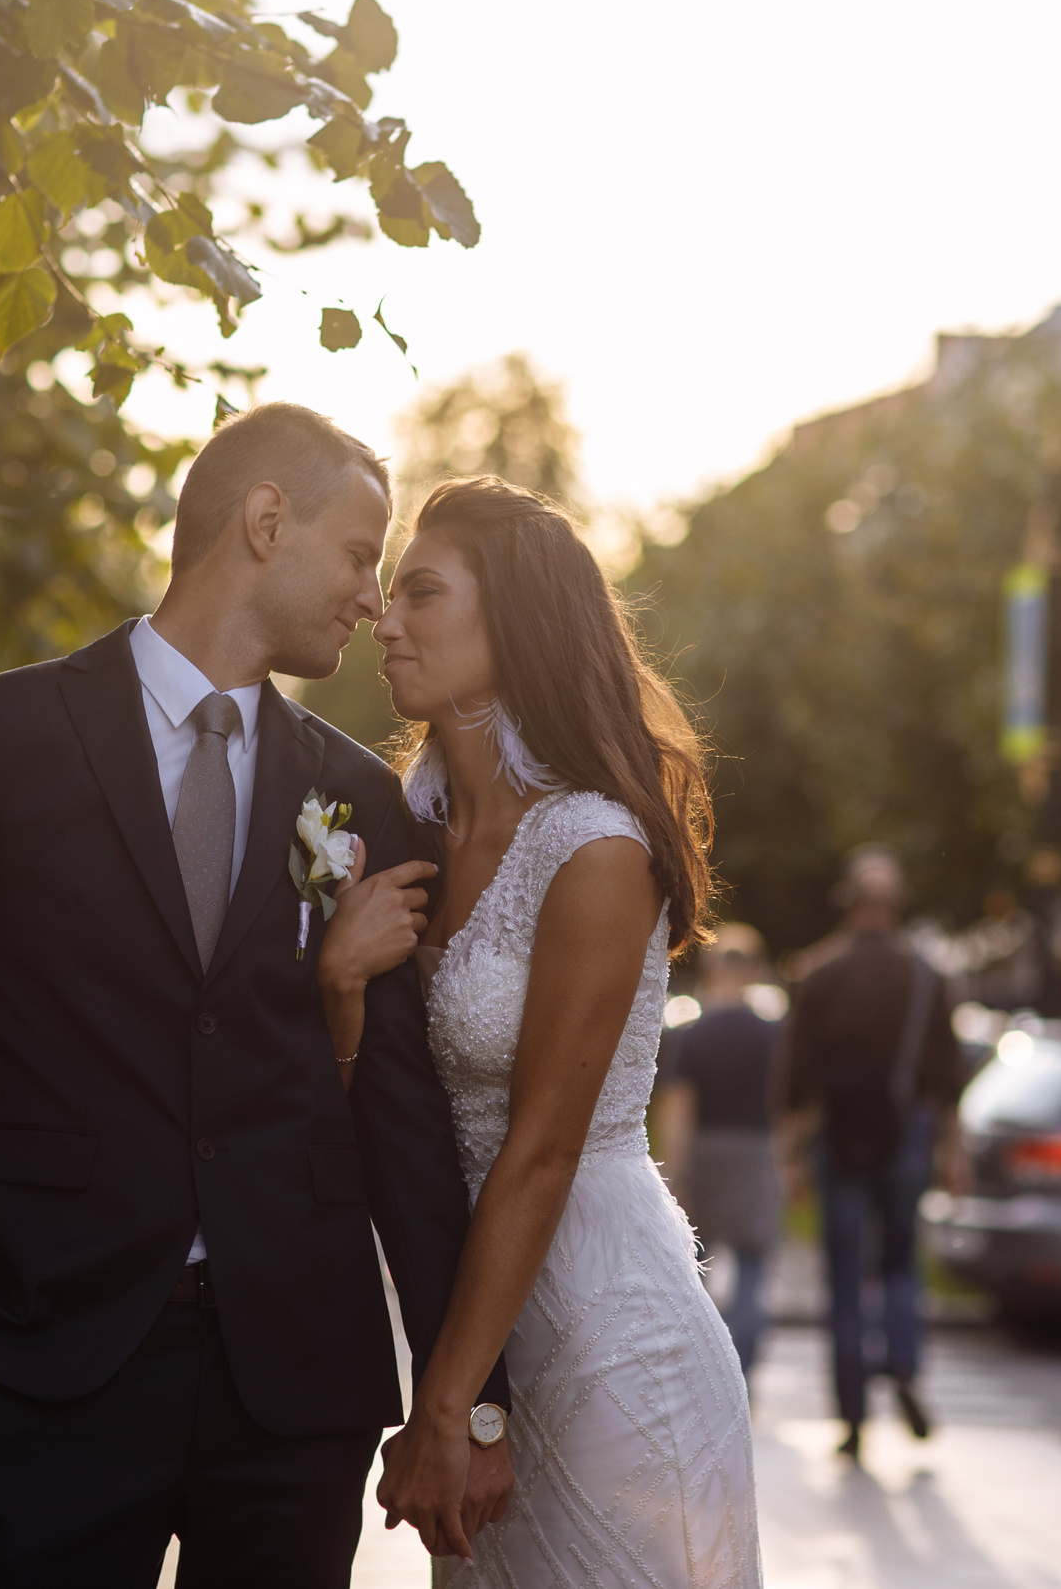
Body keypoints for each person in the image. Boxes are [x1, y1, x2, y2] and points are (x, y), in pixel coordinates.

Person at [0, 403, 510, 1587]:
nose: (371, 597)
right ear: (265, 522)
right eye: (360, 554)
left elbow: (398, 1118)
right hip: (52, 1353)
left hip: (295, 1375)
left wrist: (470, 1398)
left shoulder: (361, 797)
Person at [315, 474, 761, 1587]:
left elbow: (544, 1148)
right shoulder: (397, 825)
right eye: (386, 593)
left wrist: (450, 1411)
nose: (385, 615)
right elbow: (371, 1099)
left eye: (421, 591)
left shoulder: (593, 846)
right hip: (469, 1322)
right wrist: (339, 986)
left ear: (510, 618)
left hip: (606, 1344)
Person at [779, 846, 970, 1461]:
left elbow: (796, 1076)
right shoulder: (925, 976)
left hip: (838, 1136)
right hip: (906, 1131)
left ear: (849, 902)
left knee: (843, 1276)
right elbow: (947, 1075)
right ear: (897, 905)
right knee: (899, 1263)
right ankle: (906, 1367)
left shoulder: (818, 972)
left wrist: (789, 1157)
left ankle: (853, 1417)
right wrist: (953, 1150)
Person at [654, 925, 782, 1374]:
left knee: (699, 1268)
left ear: (712, 969)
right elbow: (785, 1106)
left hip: (706, 1151)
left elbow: (679, 1107)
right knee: (751, 1269)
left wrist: (675, 1172)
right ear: (754, 971)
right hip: (754, 1153)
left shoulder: (694, 1034)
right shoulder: (771, 1035)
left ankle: (706, 1367)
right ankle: (742, 1369)